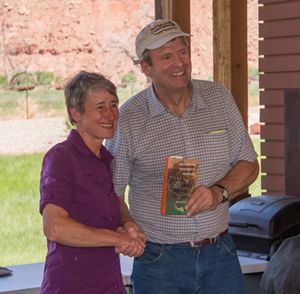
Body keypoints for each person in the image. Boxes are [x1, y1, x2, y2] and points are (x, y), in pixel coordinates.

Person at [106, 19, 259, 294]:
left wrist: (218, 192)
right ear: (145, 67)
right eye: (166, 57)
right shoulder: (128, 118)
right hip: (159, 262)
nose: (179, 63)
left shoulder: (220, 98)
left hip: (220, 254)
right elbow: (112, 193)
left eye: (183, 52)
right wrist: (127, 225)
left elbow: (249, 165)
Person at [39, 71, 146, 294]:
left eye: (114, 104)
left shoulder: (105, 159)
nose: (111, 114)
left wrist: (128, 224)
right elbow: (55, 227)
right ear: (75, 113)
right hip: (73, 285)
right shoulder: (61, 158)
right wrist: (118, 238)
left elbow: (113, 205)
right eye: (100, 107)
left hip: (107, 283)